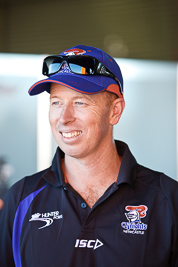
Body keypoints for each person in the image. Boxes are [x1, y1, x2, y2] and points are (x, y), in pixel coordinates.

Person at [0, 45, 177, 267]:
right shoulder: (20, 200)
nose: (64, 118)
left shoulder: (168, 200)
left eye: (80, 102)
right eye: (56, 102)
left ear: (115, 111)